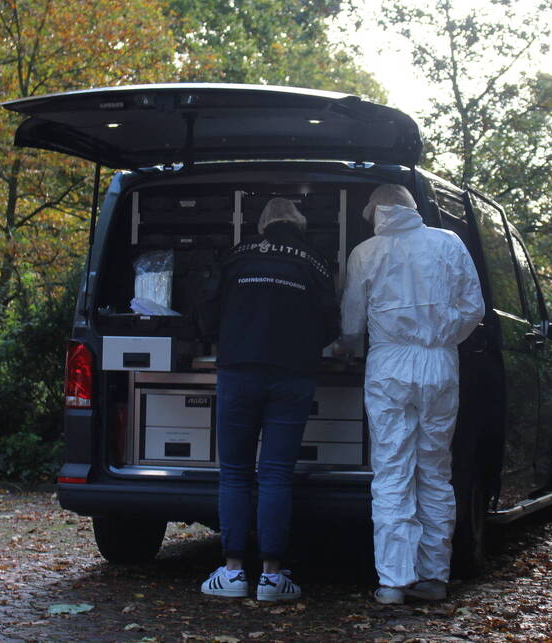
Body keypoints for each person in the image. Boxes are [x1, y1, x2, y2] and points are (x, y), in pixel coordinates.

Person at [336, 184, 484, 605]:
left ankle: (393, 582)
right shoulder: (449, 243)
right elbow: (473, 308)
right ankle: (434, 577)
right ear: (412, 207)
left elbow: (351, 323)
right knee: (435, 470)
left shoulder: (366, 253)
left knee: (392, 469)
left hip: (389, 367)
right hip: (440, 363)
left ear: (376, 210)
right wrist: (441, 339)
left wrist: (351, 345)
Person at [196, 197, 340, 601]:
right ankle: (274, 578)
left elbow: (206, 312)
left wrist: (226, 334)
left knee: (236, 473)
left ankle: (233, 572)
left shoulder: (235, 256)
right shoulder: (314, 262)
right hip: (293, 377)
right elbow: (332, 323)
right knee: (275, 473)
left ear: (263, 226)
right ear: (299, 225)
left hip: (239, 372)